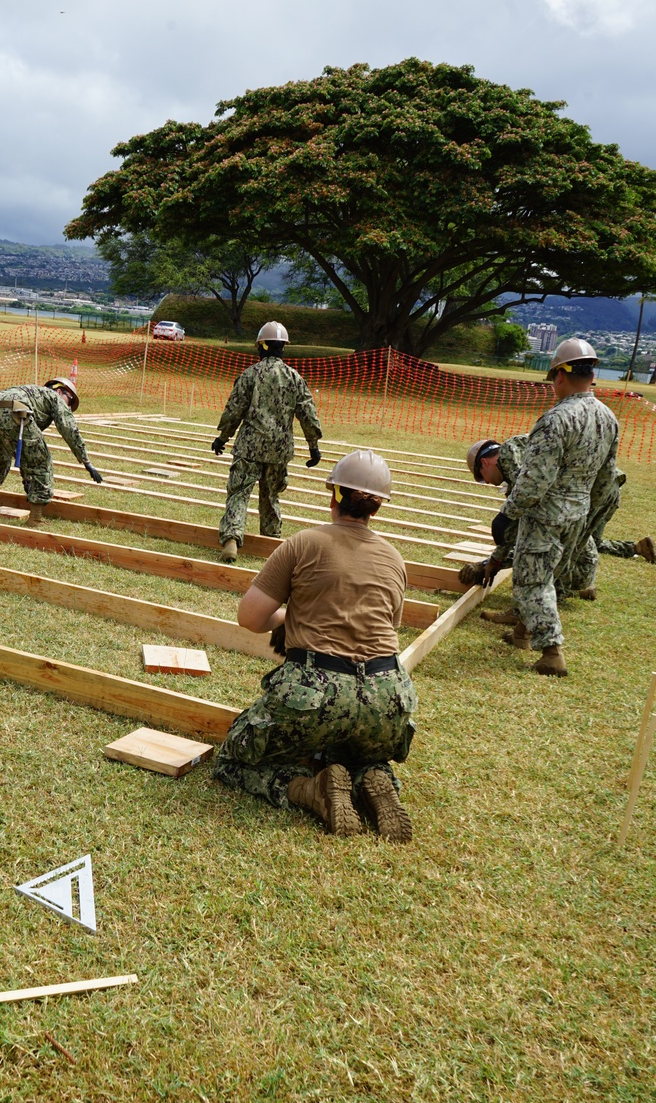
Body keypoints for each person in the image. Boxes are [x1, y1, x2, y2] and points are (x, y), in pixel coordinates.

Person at [213, 449, 417, 841]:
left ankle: (310, 790)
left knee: (234, 758)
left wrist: (288, 621)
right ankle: (374, 780)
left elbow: (251, 618)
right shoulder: (395, 558)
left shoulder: (303, 543)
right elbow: (385, 631)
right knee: (352, 750)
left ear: (334, 495)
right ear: (377, 507)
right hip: (388, 695)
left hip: (317, 691)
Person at [496, 338, 619, 676]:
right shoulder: (608, 418)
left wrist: (507, 513)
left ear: (560, 375)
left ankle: (552, 653)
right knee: (546, 574)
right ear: (590, 375)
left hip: (546, 515)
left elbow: (535, 481)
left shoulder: (557, 419)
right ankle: (523, 632)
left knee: (532, 581)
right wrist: (587, 512)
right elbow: (606, 477)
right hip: (577, 513)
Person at [462, 435, 654, 597]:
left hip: (590, 491)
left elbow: (524, 532)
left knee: (559, 544)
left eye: (482, 477)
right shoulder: (519, 450)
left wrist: (490, 563)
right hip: (604, 485)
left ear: (485, 463)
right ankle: (635, 548)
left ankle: (552, 597)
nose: (487, 483)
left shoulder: (510, 456)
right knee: (585, 541)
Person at [211, 320, 323, 563]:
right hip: (279, 451)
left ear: (261, 347)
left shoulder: (250, 374)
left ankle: (231, 539)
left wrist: (222, 437)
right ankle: (271, 544)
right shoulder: (294, 378)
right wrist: (313, 446)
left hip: (249, 448)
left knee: (239, 493)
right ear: (283, 347)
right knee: (271, 496)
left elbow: (234, 410)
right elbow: (308, 414)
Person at [0, 376, 102, 527]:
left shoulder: (30, 391)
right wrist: (85, 460)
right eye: (69, 402)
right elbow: (68, 427)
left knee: (1, 461)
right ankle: (36, 518)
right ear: (59, 391)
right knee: (40, 463)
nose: (68, 406)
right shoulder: (53, 397)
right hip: (14, 413)